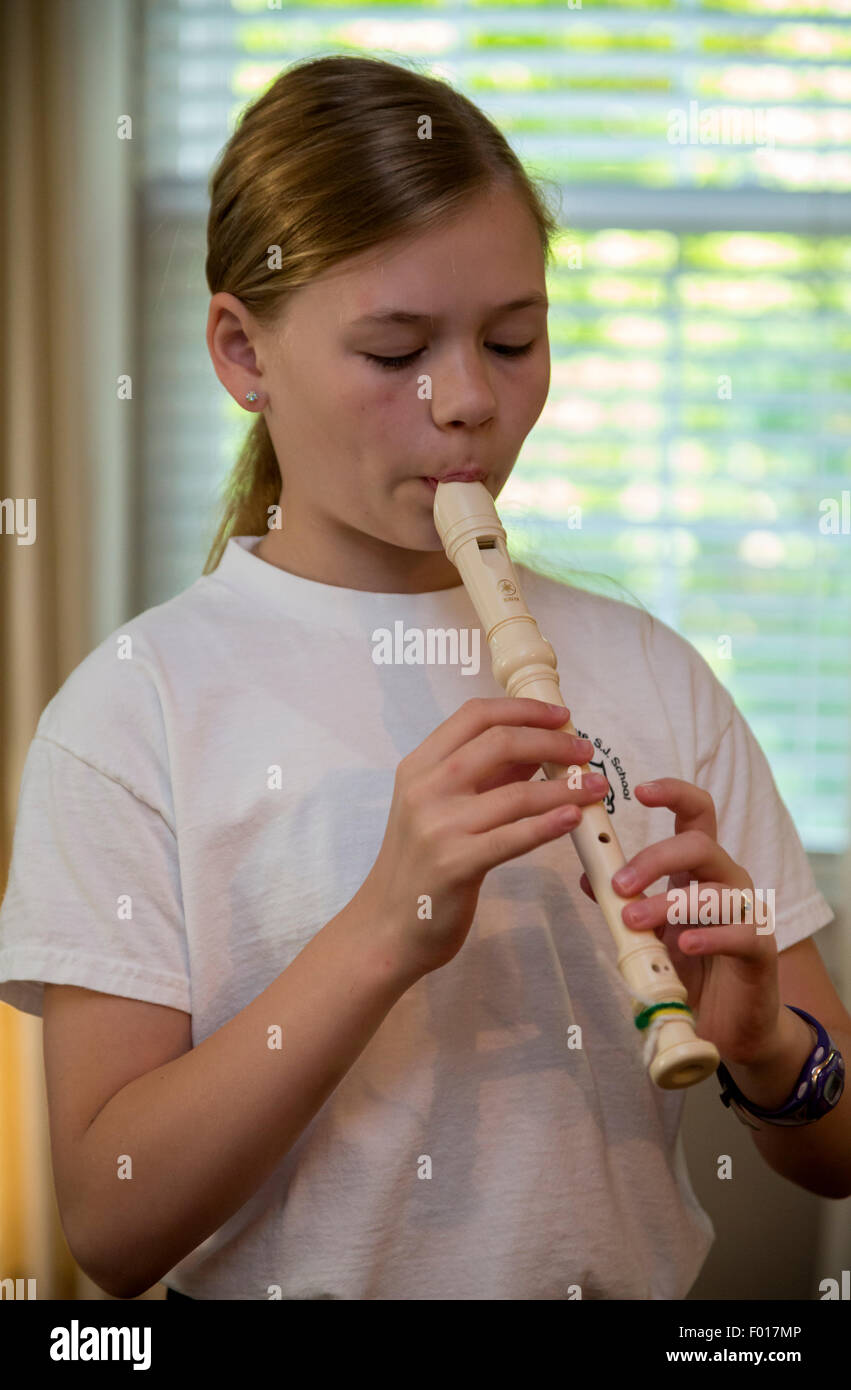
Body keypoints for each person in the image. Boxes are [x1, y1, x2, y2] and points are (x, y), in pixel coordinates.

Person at [0, 54, 847, 1305]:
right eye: (396, 349)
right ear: (243, 354)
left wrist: (768, 1046)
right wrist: (382, 927)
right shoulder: (138, 710)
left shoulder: (649, 671)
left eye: (513, 339)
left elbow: (831, 1152)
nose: (466, 404)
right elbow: (112, 1228)